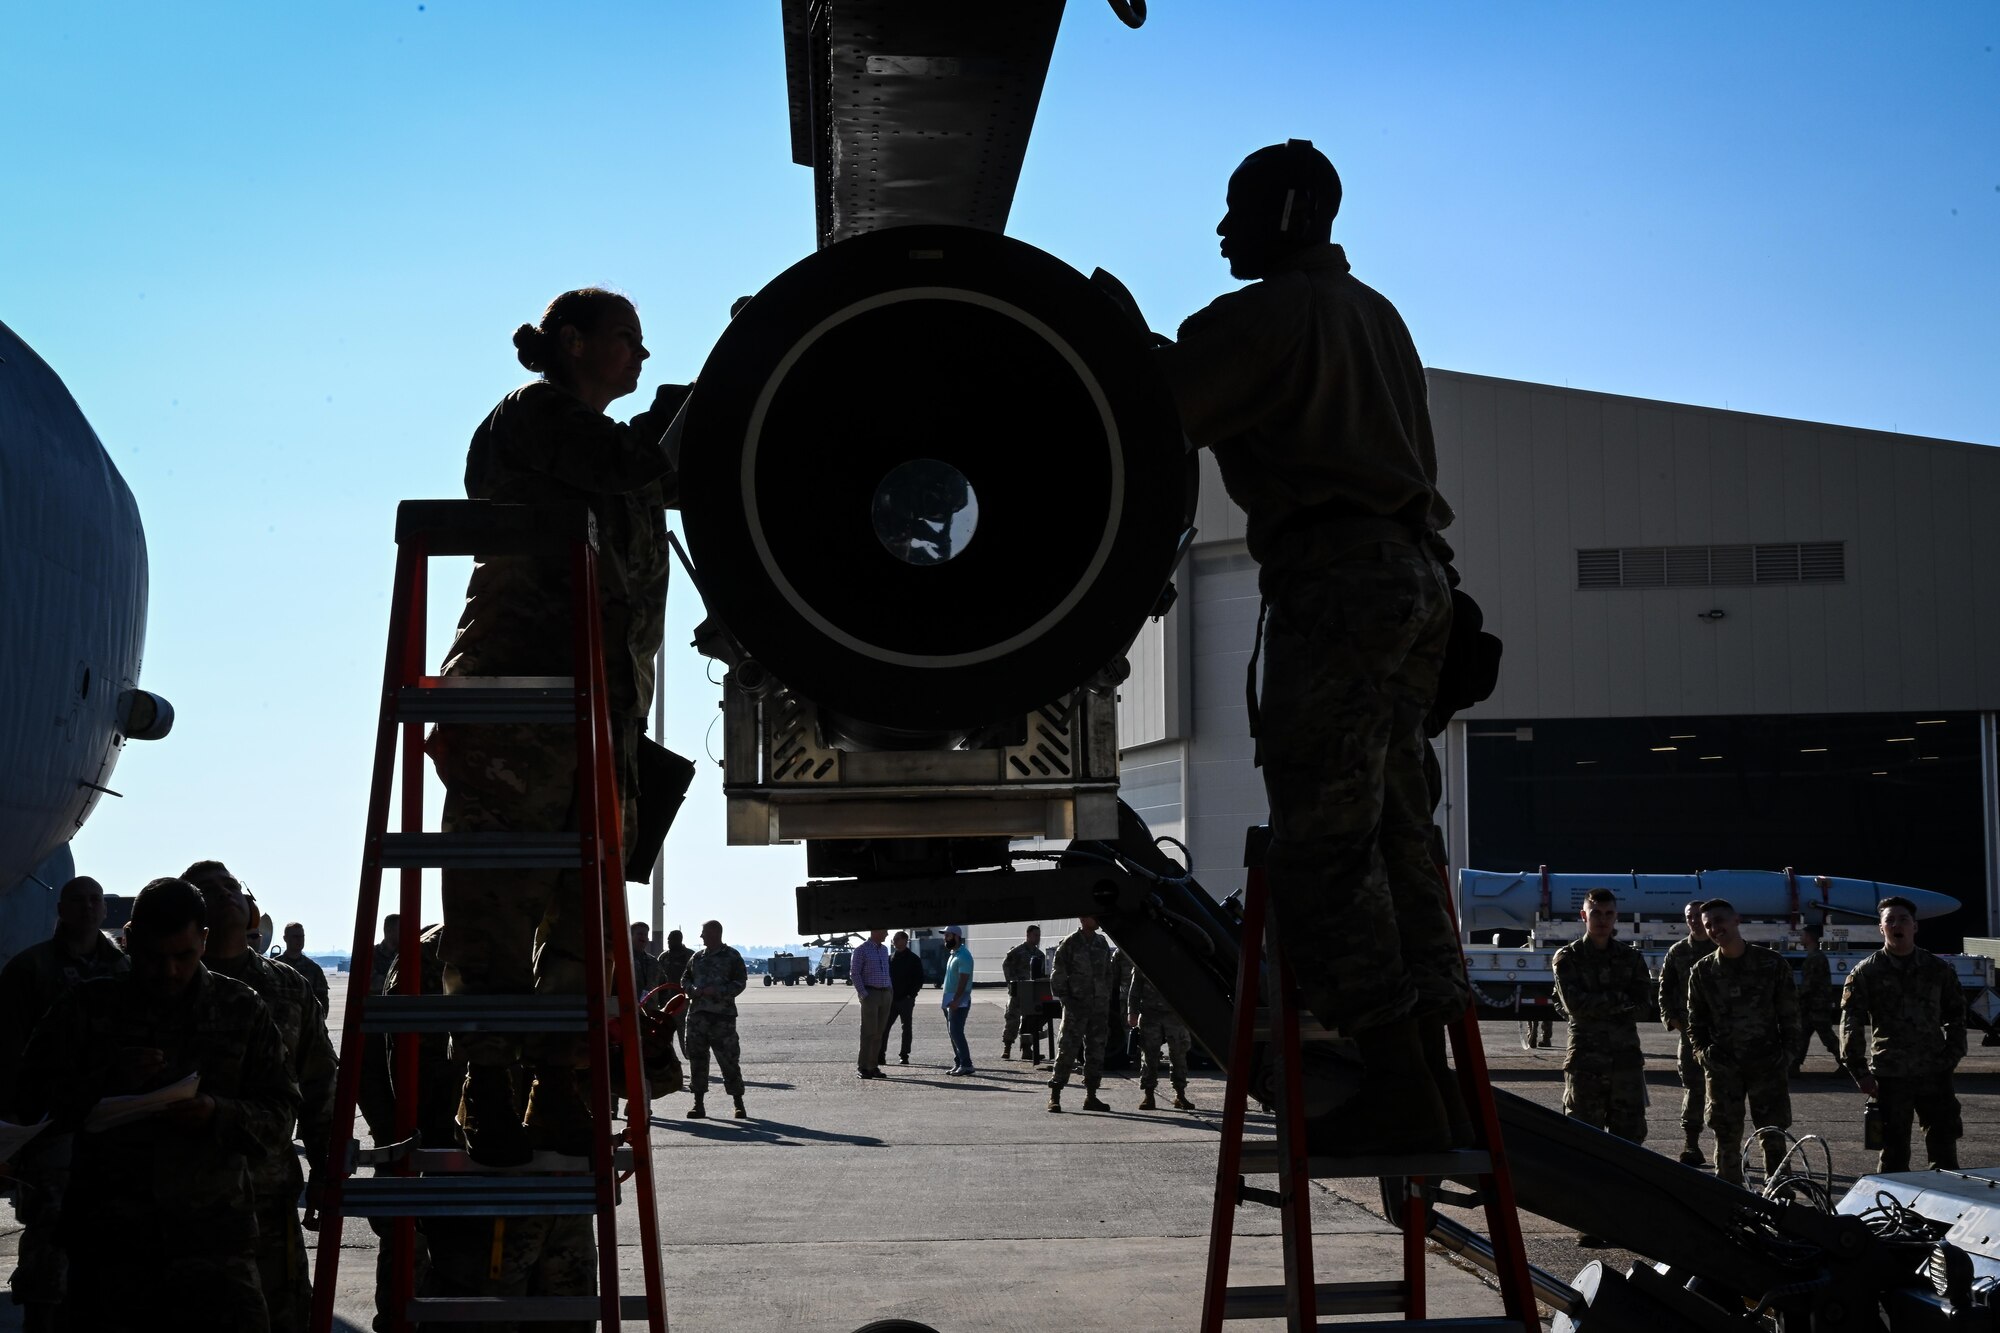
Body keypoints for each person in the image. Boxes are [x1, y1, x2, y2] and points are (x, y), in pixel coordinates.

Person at [1157, 140, 1468, 1152]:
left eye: (1234, 209)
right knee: (1394, 830)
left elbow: (1153, 413)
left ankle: (1396, 1089)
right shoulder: (1378, 316)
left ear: (1284, 215)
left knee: (1325, 841)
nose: (1219, 231)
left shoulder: (1262, 318)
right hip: (1416, 581)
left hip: (1334, 585)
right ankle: (1430, 1063)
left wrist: (1126, 345)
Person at [428, 288, 686, 1165]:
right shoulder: (535, 417)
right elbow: (627, 465)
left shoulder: (611, 451)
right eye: (627, 341)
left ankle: (560, 1086)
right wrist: (679, 425)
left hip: (602, 711)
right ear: (571, 344)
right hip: (521, 696)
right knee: (498, 898)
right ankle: (489, 1087)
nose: (641, 357)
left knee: (590, 911)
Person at [16, 878, 299, 1333]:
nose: (168, 971)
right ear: (129, 941)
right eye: (152, 957)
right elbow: (25, 1103)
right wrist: (105, 1080)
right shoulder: (87, 1007)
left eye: (183, 957)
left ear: (203, 941)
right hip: (108, 1251)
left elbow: (281, 1114)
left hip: (212, 1246)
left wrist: (217, 1112)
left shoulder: (241, 1009)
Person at [183, 861, 337, 1333]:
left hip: (269, 1193)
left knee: (283, 1314)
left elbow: (319, 1086)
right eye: (209, 890)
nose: (226, 895)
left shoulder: (289, 986)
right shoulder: (171, 984)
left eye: (232, 887)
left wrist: (327, 1171)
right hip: (184, 1200)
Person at [0, 875, 128, 1326]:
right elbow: (7, 1046)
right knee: (49, 1238)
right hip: (51, 1125)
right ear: (61, 909)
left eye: (96, 900)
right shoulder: (29, 969)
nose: (89, 908)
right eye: (79, 901)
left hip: (116, 1125)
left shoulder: (125, 969)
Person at [1841, 896, 1965, 1172]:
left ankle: (1944, 1211)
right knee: (1894, 1153)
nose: (1897, 925)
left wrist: (1952, 1056)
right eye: (1890, 920)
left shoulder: (1937, 970)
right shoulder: (1867, 972)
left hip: (1934, 1072)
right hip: (1890, 1076)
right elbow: (1851, 1023)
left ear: (1915, 927)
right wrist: (1859, 1070)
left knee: (1944, 1150)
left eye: (1904, 919)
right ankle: (1894, 1211)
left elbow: (1957, 1015)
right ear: (1881, 928)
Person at [1686, 899, 1799, 1186]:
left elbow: (1790, 1017)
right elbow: (1695, 1025)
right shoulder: (1702, 972)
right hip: (1723, 1069)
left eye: (1719, 920)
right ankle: (1728, 1204)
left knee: (1773, 1136)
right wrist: (1706, 1056)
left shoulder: (1771, 964)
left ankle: (1779, 1201)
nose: (1714, 929)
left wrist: (1785, 1057)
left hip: (1767, 1065)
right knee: (1726, 1139)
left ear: (1737, 920)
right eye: (1708, 924)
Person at [1549, 889, 1649, 1144]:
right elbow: (1574, 1006)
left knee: (1630, 1139)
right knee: (1583, 1138)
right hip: (1586, 1063)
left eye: (1608, 913)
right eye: (1596, 913)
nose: (1602, 919)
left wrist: (1595, 1005)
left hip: (1625, 1062)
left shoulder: (1631, 958)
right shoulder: (1567, 958)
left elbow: (1642, 1005)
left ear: (1616, 916)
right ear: (1584, 915)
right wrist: (1619, 999)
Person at [1657, 900, 1717, 1166]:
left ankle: (1726, 1147)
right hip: (1690, 1034)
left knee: (1725, 1090)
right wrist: (1672, 1020)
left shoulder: (1721, 948)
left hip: (1722, 1032)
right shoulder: (1678, 952)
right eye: (1689, 916)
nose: (1693, 920)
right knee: (1693, 1088)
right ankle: (1691, 1145)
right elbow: (1665, 989)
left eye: (1697, 916)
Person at [682, 919, 748, 1119]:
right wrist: (692, 990)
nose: (701, 937)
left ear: (715, 934)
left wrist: (718, 991)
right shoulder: (697, 957)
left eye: (704, 933)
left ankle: (738, 1103)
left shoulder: (732, 956)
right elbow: (685, 978)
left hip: (722, 1019)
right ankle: (698, 1104)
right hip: (697, 1018)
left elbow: (740, 982)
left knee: (728, 1061)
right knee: (698, 1061)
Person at [1047, 917, 1113, 1112]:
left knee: (1096, 1051)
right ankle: (1055, 1095)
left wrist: (1105, 996)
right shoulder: (1070, 943)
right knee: (1067, 1049)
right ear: (1084, 919)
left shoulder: (1101, 943)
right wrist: (1067, 1000)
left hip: (1098, 1008)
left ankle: (1091, 1096)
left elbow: (1108, 972)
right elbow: (1057, 973)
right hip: (1076, 1007)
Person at [1127, 964, 1195, 1111]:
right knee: (1149, 1056)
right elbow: (1134, 990)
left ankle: (1180, 1094)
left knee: (1178, 1054)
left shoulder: (1179, 959)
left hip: (1175, 1015)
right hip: (1150, 1015)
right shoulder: (1143, 961)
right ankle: (1149, 1095)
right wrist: (1131, 1012)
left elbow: (1190, 986)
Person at [1793, 920, 1840, 1074]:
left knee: (1827, 1038)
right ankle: (1793, 1066)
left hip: (1816, 1005)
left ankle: (1847, 1063)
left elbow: (1809, 985)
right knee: (1802, 1036)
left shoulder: (1815, 958)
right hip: (1814, 1005)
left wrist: (1798, 999)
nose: (1801, 938)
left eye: (1804, 935)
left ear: (1810, 937)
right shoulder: (1815, 956)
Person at [851, 927, 893, 1078]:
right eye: (885, 931)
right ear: (875, 932)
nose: (887, 934)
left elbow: (886, 971)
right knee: (868, 1032)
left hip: (885, 993)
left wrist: (890, 990)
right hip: (871, 994)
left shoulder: (884, 949)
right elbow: (854, 973)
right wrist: (863, 994)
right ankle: (863, 1067)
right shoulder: (861, 950)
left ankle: (873, 1065)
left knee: (879, 1032)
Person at [1001, 925, 1045, 1061]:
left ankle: (1027, 1049)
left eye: (1039, 935)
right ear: (1028, 935)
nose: (1037, 938)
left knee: (1030, 1021)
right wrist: (1012, 982)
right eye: (1035, 935)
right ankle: (1007, 1047)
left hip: (1032, 992)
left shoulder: (1039, 955)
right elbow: (1006, 965)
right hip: (1018, 990)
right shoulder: (1017, 951)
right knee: (1012, 1019)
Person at [881, 931, 925, 1066]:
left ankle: (904, 1055)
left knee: (906, 1027)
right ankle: (880, 1054)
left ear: (904, 941)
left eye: (896, 939)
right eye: (894, 939)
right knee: (885, 1027)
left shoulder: (913, 959)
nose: (894, 941)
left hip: (906, 1000)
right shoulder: (890, 958)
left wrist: (911, 995)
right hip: (891, 999)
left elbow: (919, 979)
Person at [941, 926, 975, 1076]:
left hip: (959, 998)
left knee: (956, 1031)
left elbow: (963, 980)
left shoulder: (964, 955)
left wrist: (956, 1000)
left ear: (956, 936)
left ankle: (966, 1064)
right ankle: (959, 1062)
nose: (945, 938)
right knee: (952, 1032)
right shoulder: (953, 954)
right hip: (949, 998)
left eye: (947, 935)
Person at [276, 922, 330, 1017]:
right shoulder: (274, 966)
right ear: (285, 939)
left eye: (302, 936)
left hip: (305, 1025)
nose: (299, 940)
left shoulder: (313, 969)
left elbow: (323, 1002)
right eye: (295, 936)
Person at [371, 913, 401, 995]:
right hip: (378, 1004)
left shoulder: (405, 955)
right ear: (388, 930)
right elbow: (374, 984)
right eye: (401, 929)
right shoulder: (372, 954)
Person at [629, 921, 662, 996]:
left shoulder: (653, 962)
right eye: (639, 934)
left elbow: (663, 987)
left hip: (651, 1007)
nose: (643, 937)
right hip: (629, 1006)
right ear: (630, 936)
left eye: (645, 934)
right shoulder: (622, 960)